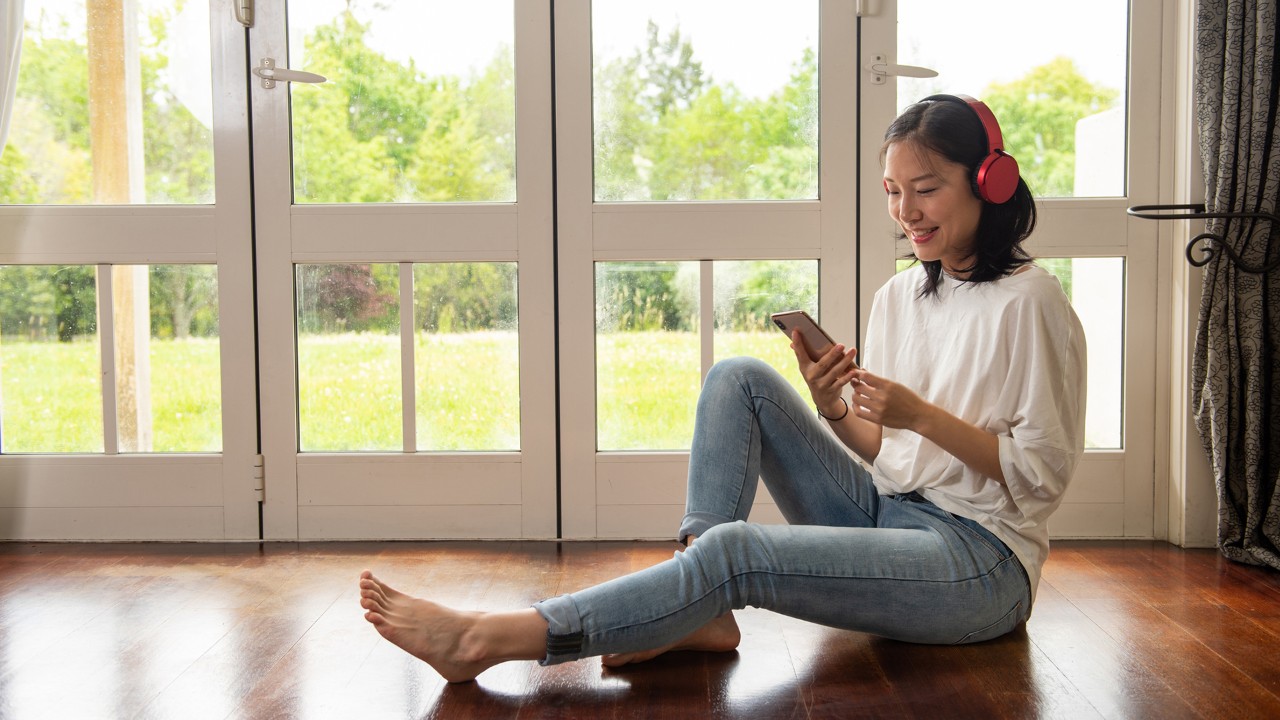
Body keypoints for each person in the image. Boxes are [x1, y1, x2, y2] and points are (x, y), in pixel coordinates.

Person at [357, 94, 1088, 683]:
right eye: (894, 192)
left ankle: (489, 639)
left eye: (926, 189)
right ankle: (697, 608)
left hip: (980, 562)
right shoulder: (899, 297)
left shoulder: (1032, 303)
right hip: (890, 512)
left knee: (738, 554)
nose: (907, 212)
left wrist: (923, 416)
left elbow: (1040, 478)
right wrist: (830, 402)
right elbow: (887, 452)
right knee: (739, 378)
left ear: (988, 180)